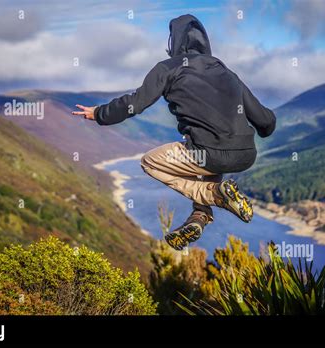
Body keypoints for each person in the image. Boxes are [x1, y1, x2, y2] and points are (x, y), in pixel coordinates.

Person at [72, 14, 276, 251]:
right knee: (204, 158)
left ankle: (213, 195)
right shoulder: (226, 72)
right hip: (244, 155)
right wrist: (261, 128)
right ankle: (199, 218)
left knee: (150, 162)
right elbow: (266, 121)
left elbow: (134, 103)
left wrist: (99, 113)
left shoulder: (167, 68)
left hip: (207, 153)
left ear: (174, 42)